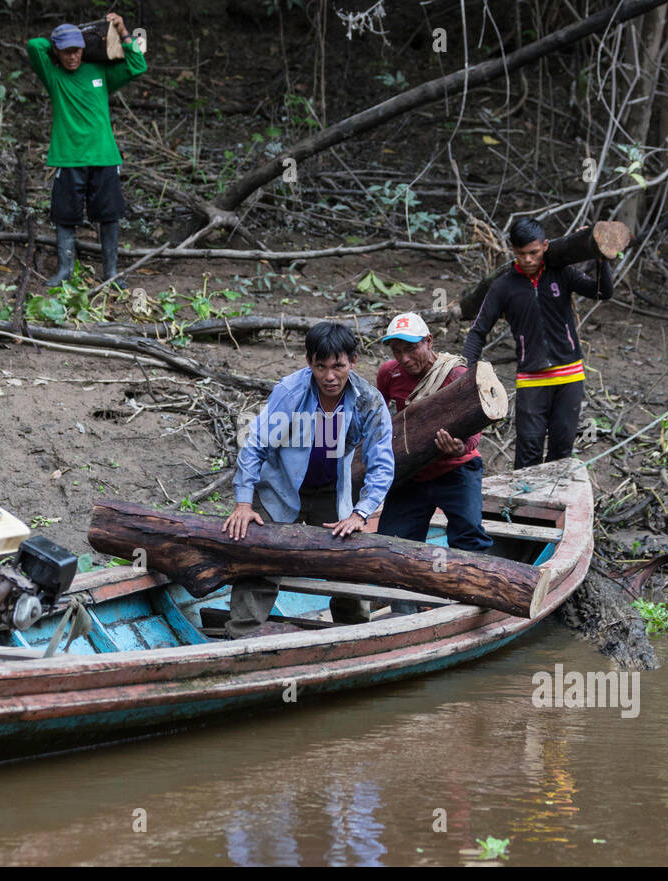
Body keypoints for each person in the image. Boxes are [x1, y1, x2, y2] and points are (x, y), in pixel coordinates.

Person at [222, 322, 395, 638]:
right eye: (321, 367)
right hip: (280, 486)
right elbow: (255, 444)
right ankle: (242, 635)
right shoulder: (291, 391)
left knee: (349, 558)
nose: (330, 376)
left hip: (332, 490)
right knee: (260, 551)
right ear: (309, 363)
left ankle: (353, 635)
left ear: (353, 362)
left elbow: (381, 464)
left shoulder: (368, 401)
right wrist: (244, 503)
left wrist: (360, 513)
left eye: (338, 366)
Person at [462, 217, 614, 469]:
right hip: (532, 379)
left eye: (534, 253)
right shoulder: (503, 286)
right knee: (528, 452)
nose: (529, 260)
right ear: (513, 250)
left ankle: (556, 506)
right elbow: (478, 331)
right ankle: (521, 506)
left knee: (561, 451)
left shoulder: (561, 272)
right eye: (522, 254)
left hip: (569, 376)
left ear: (545, 246)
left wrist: (601, 260)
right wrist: (465, 373)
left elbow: (602, 292)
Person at [26, 14, 147, 288]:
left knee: (109, 216)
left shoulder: (100, 73)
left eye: (77, 50)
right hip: (68, 157)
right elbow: (35, 45)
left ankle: (111, 272)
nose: (72, 57)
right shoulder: (53, 74)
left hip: (104, 156)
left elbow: (138, 65)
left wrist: (123, 30)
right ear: (57, 51)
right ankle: (65, 271)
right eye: (66, 52)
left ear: (85, 49)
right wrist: (74, 33)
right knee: (64, 216)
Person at [376, 312, 493, 552]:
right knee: (392, 543)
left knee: (469, 539)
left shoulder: (456, 375)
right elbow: (378, 415)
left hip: (456, 468)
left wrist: (462, 447)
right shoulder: (389, 373)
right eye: (397, 351)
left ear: (428, 341)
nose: (404, 358)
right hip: (411, 471)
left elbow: (476, 423)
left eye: (411, 349)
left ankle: (471, 586)